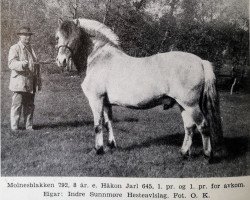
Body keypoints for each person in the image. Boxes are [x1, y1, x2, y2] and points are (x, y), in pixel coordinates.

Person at [8, 26, 41, 131]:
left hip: (30, 81)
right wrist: (22, 64)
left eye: (29, 35)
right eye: (25, 35)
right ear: (20, 36)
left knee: (30, 105)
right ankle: (14, 128)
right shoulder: (14, 48)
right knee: (17, 106)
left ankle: (29, 126)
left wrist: (38, 79)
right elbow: (11, 63)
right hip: (19, 82)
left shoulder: (31, 48)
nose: (28, 37)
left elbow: (35, 64)